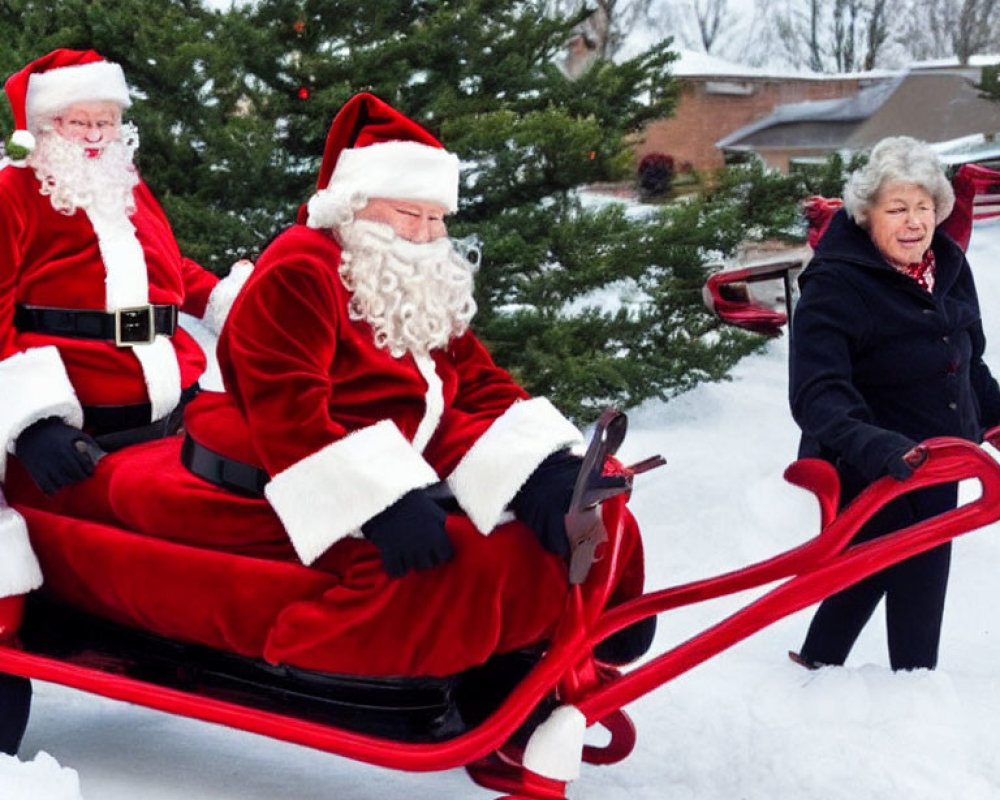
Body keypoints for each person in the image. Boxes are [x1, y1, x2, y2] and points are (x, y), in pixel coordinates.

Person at [6, 92, 653, 681]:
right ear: (353, 204)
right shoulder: (302, 268)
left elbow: (468, 378)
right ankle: (307, 652)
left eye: (437, 219)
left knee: (579, 488)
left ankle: (595, 621)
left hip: (384, 443)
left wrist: (536, 464)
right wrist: (379, 501)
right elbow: (288, 414)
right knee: (456, 560)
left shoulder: (412, 269)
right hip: (266, 469)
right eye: (410, 215)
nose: (427, 237)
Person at [0, 48, 251, 754]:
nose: (94, 136)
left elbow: (174, 273)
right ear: (42, 126)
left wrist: (235, 301)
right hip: (77, 428)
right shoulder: (14, 194)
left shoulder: (125, 188)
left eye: (106, 121)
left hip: (170, 408)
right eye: (79, 121)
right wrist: (34, 423)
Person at [788, 136, 1000, 671]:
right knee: (889, 566)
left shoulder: (946, 265)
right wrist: (879, 446)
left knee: (899, 570)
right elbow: (817, 393)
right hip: (869, 461)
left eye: (924, 208)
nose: (914, 222)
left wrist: (993, 421)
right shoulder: (836, 284)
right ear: (866, 215)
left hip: (941, 455)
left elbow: (967, 363)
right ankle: (905, 686)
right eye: (898, 208)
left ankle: (819, 667)